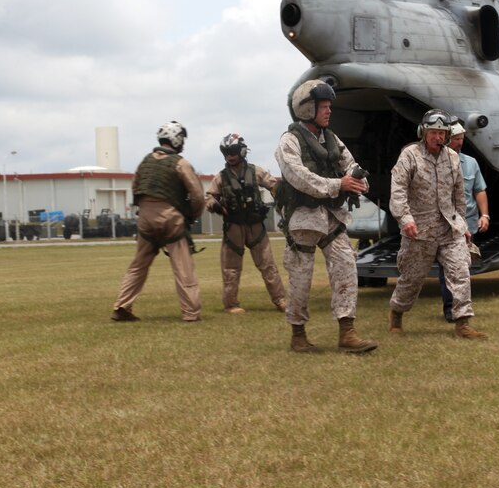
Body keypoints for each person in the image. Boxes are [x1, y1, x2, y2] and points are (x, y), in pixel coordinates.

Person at [274, 80, 377, 354]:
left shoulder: (332, 139)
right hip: (303, 218)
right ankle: (298, 334)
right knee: (300, 278)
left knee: (346, 267)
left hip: (332, 217)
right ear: (307, 109)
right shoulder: (289, 142)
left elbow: (350, 164)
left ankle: (347, 331)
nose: (329, 111)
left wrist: (358, 181)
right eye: (324, 106)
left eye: (329, 106)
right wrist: (337, 185)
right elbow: (299, 176)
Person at [387, 109, 487, 339]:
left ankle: (462, 324)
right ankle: (397, 314)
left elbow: (459, 196)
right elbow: (398, 190)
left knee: (460, 272)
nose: (438, 137)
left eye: (442, 133)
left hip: (448, 229)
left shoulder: (452, 158)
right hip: (418, 231)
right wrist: (405, 219)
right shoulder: (409, 155)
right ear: (424, 132)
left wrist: (462, 225)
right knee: (411, 280)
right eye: (433, 132)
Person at [110, 121, 204, 323]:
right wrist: (192, 215)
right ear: (177, 140)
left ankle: (122, 306)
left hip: (145, 218)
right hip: (170, 218)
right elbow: (197, 195)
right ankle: (190, 312)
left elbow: (135, 187)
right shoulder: (181, 163)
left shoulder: (144, 161)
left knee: (138, 265)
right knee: (183, 266)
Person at [206, 132, 288, 314]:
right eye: (226, 152)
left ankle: (280, 299)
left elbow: (274, 185)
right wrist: (215, 205)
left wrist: (282, 194)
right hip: (233, 228)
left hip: (256, 226)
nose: (229, 155)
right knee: (231, 269)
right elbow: (209, 198)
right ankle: (231, 304)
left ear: (241, 151)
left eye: (233, 151)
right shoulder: (220, 178)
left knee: (268, 265)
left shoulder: (256, 171)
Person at [438, 120, 489, 322]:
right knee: (447, 267)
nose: (460, 143)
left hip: (467, 222)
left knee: (463, 266)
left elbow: (479, 190)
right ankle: (450, 309)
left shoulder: (471, 163)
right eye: (457, 139)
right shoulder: (438, 163)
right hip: (446, 224)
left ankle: (462, 306)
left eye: (462, 139)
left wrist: (485, 215)